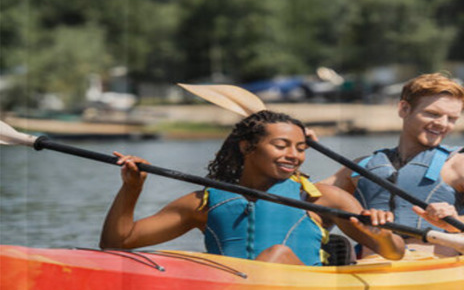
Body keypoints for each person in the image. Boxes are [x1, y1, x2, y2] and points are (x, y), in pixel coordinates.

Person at [100, 110, 405, 265]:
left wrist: (382, 234)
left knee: (277, 254)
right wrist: (132, 188)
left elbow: (394, 254)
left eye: (300, 148)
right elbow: (117, 243)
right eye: (281, 145)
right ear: (247, 147)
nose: (294, 156)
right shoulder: (204, 202)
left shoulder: (321, 197)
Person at [321, 73, 464, 232]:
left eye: (452, 118)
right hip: (371, 262)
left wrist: (452, 223)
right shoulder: (361, 167)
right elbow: (308, 194)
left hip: (435, 263)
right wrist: (297, 147)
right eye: (433, 114)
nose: (442, 124)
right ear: (404, 109)